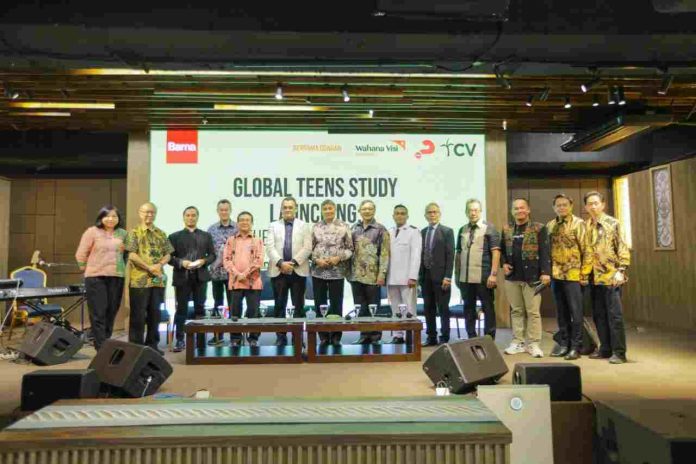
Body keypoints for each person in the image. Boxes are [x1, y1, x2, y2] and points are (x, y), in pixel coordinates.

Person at [582, 191, 631, 364]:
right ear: (586, 207)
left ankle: (619, 352)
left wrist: (621, 269)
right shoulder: (586, 225)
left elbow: (622, 247)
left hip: (611, 276)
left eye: (596, 203)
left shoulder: (613, 223)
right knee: (599, 315)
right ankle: (605, 348)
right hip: (593, 277)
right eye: (590, 204)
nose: (593, 206)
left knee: (614, 316)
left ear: (602, 204)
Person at [501, 198, 551, 358]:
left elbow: (545, 251)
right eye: (516, 208)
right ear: (512, 211)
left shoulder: (539, 228)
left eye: (522, 208)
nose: (519, 211)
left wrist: (546, 272)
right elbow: (502, 251)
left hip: (533, 277)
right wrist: (503, 264)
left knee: (533, 312)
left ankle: (534, 344)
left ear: (528, 210)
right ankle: (518, 342)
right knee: (516, 311)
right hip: (512, 277)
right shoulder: (507, 229)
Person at [75, 205, 128, 351]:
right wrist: (86, 268)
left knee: (112, 311)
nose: (111, 219)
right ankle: (101, 347)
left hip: (116, 276)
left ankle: (106, 341)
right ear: (101, 217)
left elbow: (126, 254)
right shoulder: (92, 232)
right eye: (107, 216)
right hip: (96, 277)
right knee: (98, 312)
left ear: (118, 219)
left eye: (114, 216)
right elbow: (81, 254)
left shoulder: (123, 234)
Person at [124, 202, 173, 354]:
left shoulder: (161, 233)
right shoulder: (134, 233)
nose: (149, 215)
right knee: (138, 316)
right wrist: (148, 267)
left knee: (155, 314)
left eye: (152, 212)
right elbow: (131, 255)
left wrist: (159, 264)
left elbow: (168, 254)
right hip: (139, 281)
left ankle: (152, 346)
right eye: (146, 212)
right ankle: (136, 348)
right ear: (140, 213)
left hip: (157, 280)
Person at [168, 206, 216, 352]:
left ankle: (200, 341)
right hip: (182, 277)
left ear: (197, 217)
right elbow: (169, 258)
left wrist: (203, 261)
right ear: (183, 217)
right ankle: (180, 340)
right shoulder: (174, 236)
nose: (190, 218)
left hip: (200, 277)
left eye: (193, 215)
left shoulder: (206, 236)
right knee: (181, 309)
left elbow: (213, 255)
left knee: (200, 309)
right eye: (188, 215)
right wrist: (181, 262)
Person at [266, 197, 312, 346]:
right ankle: (281, 337)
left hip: (298, 270)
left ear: (296, 209)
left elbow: (307, 247)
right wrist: (281, 263)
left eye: (290, 207)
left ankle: (297, 338)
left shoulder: (304, 226)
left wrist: (292, 263)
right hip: (278, 271)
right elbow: (269, 247)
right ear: (281, 209)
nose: (287, 210)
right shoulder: (273, 225)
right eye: (285, 207)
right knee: (279, 306)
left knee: (299, 307)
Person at [547, 194, 586, 360]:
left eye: (564, 205)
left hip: (574, 275)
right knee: (561, 312)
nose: (561, 208)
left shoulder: (579, 223)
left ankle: (576, 346)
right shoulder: (550, 225)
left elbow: (586, 250)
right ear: (554, 208)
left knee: (576, 313)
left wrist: (584, 274)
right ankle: (564, 343)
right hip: (556, 275)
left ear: (571, 206)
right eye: (558, 205)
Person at [455, 199, 501, 341]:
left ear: (480, 211)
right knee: (468, 308)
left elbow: (496, 252)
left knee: (488, 308)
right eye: (470, 210)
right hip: (465, 277)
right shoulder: (462, 229)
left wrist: (493, 274)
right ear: (466, 212)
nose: (473, 213)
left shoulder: (490, 228)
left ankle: (489, 339)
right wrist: (457, 274)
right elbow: (458, 253)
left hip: (484, 277)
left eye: (475, 210)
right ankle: (471, 337)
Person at [310, 199, 354, 347]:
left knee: (336, 304)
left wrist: (338, 258)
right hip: (318, 271)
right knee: (320, 303)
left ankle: (336, 336)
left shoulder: (344, 226)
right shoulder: (315, 227)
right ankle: (322, 336)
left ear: (335, 210)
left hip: (337, 271)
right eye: (325, 209)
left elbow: (350, 249)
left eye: (330, 208)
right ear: (322, 211)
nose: (328, 211)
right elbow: (309, 249)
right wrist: (316, 260)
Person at [350, 199, 390, 344]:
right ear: (359, 211)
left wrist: (382, 274)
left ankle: (375, 336)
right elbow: (349, 250)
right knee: (360, 308)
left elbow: (385, 254)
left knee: (374, 307)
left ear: (374, 211)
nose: (367, 211)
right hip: (356, 275)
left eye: (370, 209)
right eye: (364, 209)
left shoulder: (381, 229)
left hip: (373, 275)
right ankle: (364, 334)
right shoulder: (354, 228)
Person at [223, 211, 264, 346]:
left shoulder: (257, 240)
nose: (244, 222)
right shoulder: (231, 240)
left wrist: (245, 274)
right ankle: (235, 339)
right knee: (234, 313)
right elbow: (226, 260)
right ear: (237, 223)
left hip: (253, 282)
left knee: (253, 312)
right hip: (235, 282)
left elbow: (259, 261)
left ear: (252, 223)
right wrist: (237, 274)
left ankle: (253, 339)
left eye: (247, 220)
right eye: (241, 220)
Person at [420, 202, 455, 346]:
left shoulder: (447, 231)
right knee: (428, 308)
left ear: (439, 214)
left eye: (435, 212)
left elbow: (450, 255)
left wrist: (448, 276)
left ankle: (445, 337)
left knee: (443, 309)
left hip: (442, 278)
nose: (432, 215)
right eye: (429, 212)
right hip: (425, 277)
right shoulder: (422, 232)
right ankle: (431, 336)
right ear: (425, 215)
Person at [386, 204, 422, 344]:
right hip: (391, 277)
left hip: (407, 278)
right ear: (393, 216)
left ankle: (411, 336)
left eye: (402, 213)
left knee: (409, 308)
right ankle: (398, 335)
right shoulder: (389, 232)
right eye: (397, 213)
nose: (399, 216)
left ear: (407, 216)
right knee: (395, 308)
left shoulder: (413, 232)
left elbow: (416, 256)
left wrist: (413, 276)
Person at [206, 199, 238, 346]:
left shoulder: (237, 228)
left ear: (230, 210)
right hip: (217, 274)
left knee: (234, 305)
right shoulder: (211, 229)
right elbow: (208, 251)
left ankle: (234, 336)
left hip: (233, 274)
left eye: (226, 209)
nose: (224, 212)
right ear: (218, 211)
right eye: (221, 210)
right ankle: (218, 336)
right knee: (217, 305)